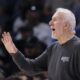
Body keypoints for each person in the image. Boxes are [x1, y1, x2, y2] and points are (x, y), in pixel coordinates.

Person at [1, 8, 80, 80]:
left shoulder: (77, 47)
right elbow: (31, 68)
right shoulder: (53, 48)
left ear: (66, 25)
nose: (50, 23)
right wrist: (14, 52)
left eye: (55, 20)